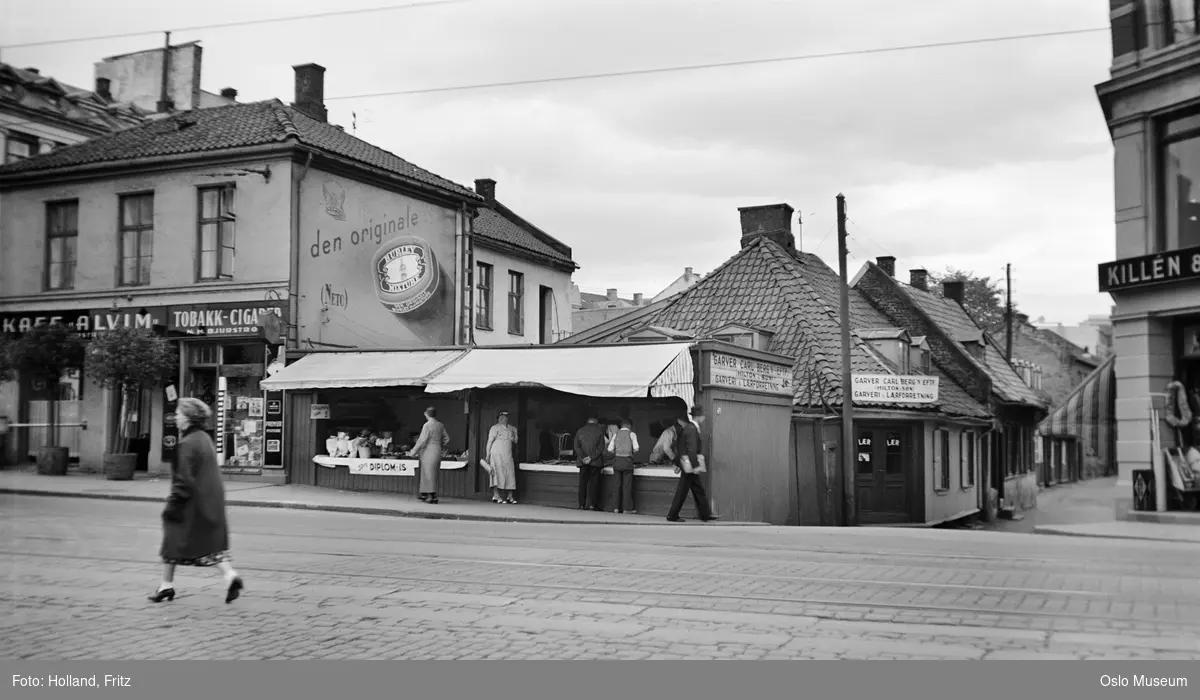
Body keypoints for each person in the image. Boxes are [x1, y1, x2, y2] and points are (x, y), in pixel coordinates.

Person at [150, 397, 244, 604]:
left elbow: (183, 478)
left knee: (173, 539)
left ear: (188, 418)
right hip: (209, 500)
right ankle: (230, 576)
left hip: (190, 502)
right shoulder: (204, 438)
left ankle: (167, 586)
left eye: (178, 414)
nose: (175, 418)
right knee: (208, 545)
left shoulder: (186, 443)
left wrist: (174, 504)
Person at [666, 406, 719, 523]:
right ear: (699, 417)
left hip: (688, 464)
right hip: (690, 465)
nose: (704, 417)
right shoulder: (692, 429)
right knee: (684, 491)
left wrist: (680, 465)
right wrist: (695, 466)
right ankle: (673, 515)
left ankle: (705, 514)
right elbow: (691, 449)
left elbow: (682, 448)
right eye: (703, 415)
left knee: (697, 490)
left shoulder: (690, 428)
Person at [409, 406, 449, 504]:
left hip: (427, 450)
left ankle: (431, 496)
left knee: (428, 473)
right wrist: (439, 445)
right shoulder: (440, 425)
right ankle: (425, 493)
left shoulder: (427, 425)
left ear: (426, 414)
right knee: (431, 472)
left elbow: (422, 440)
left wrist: (413, 451)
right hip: (437, 450)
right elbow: (447, 438)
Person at [607, 419, 640, 514]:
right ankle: (627, 508)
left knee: (617, 486)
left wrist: (617, 452)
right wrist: (632, 453)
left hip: (617, 461)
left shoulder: (616, 434)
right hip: (627, 462)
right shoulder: (632, 434)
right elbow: (636, 448)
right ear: (629, 425)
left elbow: (610, 449)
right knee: (627, 486)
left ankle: (616, 508)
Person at [574, 414, 606, 511]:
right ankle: (593, 505)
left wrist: (584, 457)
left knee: (582, 484)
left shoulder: (580, 431)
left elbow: (576, 446)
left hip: (582, 462)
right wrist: (591, 457)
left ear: (588, 421)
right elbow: (601, 448)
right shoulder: (600, 431)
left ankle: (582, 505)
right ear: (596, 422)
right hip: (595, 462)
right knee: (594, 484)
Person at [486, 411, 519, 504]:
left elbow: (515, 441)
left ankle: (510, 496)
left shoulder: (512, 428)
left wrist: (515, 433)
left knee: (510, 474)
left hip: (507, 455)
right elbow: (489, 442)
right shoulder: (494, 428)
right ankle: (496, 496)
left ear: (507, 418)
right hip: (496, 454)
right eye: (500, 417)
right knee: (496, 473)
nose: (502, 419)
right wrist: (487, 454)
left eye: (504, 417)